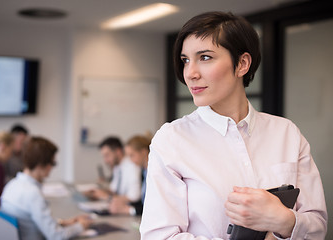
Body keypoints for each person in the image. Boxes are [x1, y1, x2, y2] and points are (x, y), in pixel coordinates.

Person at [140, 11, 327, 240]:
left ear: (242, 64)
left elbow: (318, 225)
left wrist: (283, 220)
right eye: (185, 60)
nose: (190, 73)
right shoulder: (172, 139)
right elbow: (159, 236)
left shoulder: (286, 133)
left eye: (205, 57)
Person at [0, 136, 93, 240]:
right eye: (53, 163)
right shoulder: (33, 194)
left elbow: (32, 220)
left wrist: (64, 222)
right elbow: (56, 236)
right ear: (41, 164)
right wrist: (80, 226)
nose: (52, 168)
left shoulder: (11, 185)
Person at [84, 136, 141, 203]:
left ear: (118, 151)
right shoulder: (117, 166)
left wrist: (106, 197)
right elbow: (114, 190)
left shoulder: (132, 166)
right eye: (104, 156)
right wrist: (97, 192)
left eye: (107, 155)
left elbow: (134, 197)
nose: (105, 160)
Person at [109, 134, 151, 216]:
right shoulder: (143, 172)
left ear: (144, 152)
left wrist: (129, 210)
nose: (131, 161)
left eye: (132, 155)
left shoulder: (155, 173)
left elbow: (153, 206)